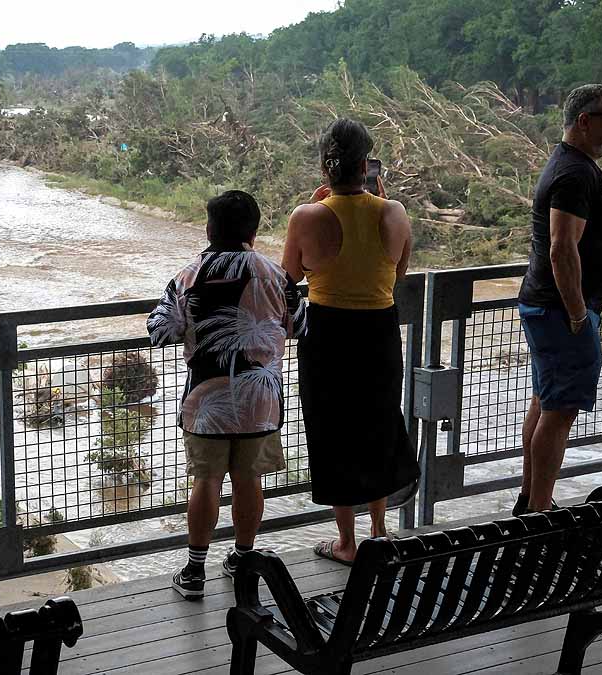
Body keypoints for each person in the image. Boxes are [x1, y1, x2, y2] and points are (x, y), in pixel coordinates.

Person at [148, 190, 305, 599]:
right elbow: (300, 325)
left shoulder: (189, 275)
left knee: (207, 480)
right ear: (253, 231)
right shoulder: (276, 276)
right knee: (249, 479)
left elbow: (160, 330)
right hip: (260, 400)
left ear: (209, 229)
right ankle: (242, 559)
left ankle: (194, 571)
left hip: (207, 403)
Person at [281, 118, 421, 565]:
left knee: (332, 431)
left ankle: (346, 541)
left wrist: (317, 208)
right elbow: (398, 274)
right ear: (366, 166)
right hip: (379, 332)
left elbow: (289, 276)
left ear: (326, 168)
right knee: (378, 425)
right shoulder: (394, 212)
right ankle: (379, 530)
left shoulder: (306, 216)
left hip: (328, 334)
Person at [516, 84, 602, 514]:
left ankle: (530, 500)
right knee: (560, 411)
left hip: (552, 308)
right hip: (562, 312)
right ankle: (540, 511)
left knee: (546, 403)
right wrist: (579, 313)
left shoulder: (576, 167)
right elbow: (562, 248)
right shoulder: (574, 174)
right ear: (584, 121)